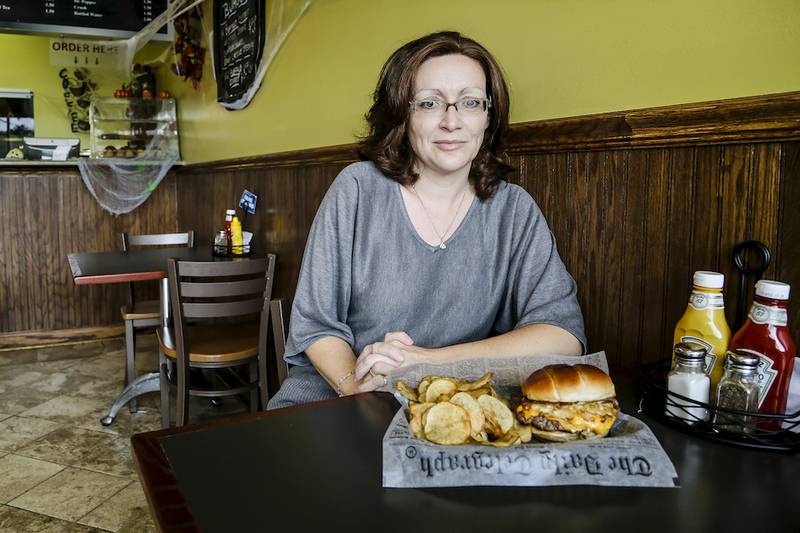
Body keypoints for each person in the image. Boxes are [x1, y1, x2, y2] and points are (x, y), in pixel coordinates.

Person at [267, 31, 585, 410]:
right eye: (431, 103)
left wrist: (427, 363)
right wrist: (353, 383)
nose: (452, 122)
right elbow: (316, 324)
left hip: (455, 410)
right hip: (335, 404)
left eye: (470, 102)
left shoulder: (513, 210)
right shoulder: (356, 189)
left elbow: (563, 335)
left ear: (488, 117)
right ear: (402, 114)